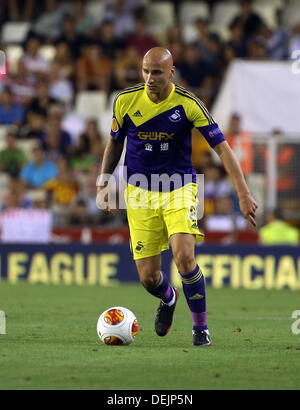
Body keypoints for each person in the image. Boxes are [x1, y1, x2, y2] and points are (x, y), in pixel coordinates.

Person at [96, 47, 257, 346]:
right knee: (148, 278)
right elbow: (114, 144)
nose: (149, 78)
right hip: (140, 191)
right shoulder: (125, 101)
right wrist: (104, 181)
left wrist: (243, 192)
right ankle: (169, 298)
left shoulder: (188, 103)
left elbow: (222, 147)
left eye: (156, 72)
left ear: (171, 72)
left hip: (178, 187)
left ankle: (200, 329)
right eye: (145, 71)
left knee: (184, 257)